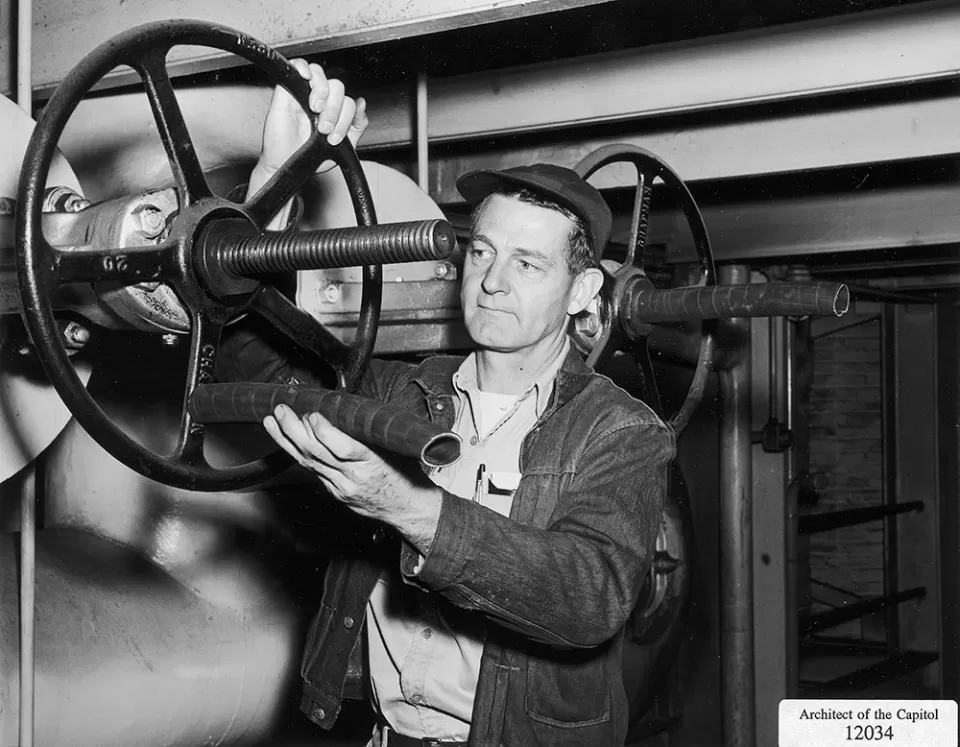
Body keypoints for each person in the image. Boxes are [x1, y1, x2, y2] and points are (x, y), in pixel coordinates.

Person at [243, 59, 676, 747]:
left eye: (528, 264)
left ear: (584, 289)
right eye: (482, 252)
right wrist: (274, 181)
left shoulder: (621, 429)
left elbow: (587, 596)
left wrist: (404, 505)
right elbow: (258, 371)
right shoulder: (398, 388)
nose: (493, 281)